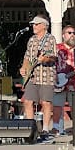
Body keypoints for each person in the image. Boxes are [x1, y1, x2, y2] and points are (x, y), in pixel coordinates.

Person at [19, 14, 57, 142]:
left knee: (46, 102)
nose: (34, 26)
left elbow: (54, 58)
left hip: (47, 76)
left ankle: (45, 129)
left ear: (44, 26)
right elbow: (27, 57)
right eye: (33, 24)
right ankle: (31, 126)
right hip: (33, 76)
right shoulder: (31, 40)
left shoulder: (50, 39)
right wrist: (24, 68)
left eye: (36, 24)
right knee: (28, 101)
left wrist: (45, 59)